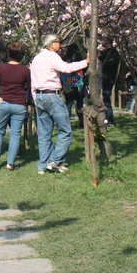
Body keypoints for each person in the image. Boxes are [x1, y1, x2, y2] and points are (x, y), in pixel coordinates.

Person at [29, 34, 88, 174]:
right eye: (58, 42)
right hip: (52, 96)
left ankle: (43, 166)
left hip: (39, 97)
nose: (60, 45)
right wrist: (86, 62)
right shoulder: (52, 56)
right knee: (66, 131)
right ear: (52, 44)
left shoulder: (36, 58)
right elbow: (66, 68)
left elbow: (33, 81)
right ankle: (55, 160)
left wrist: (35, 99)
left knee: (44, 134)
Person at [0, 42, 30, 171]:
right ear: (22, 55)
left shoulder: (1, 68)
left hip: (4, 103)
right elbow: (28, 87)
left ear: (8, 54)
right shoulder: (25, 70)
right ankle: (10, 164)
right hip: (19, 104)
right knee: (15, 134)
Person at [99, 37, 120, 127]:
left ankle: (110, 119)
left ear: (108, 42)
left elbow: (110, 63)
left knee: (106, 98)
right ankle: (107, 118)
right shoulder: (107, 52)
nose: (101, 42)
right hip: (105, 78)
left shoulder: (113, 53)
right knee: (105, 98)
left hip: (108, 78)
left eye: (103, 40)